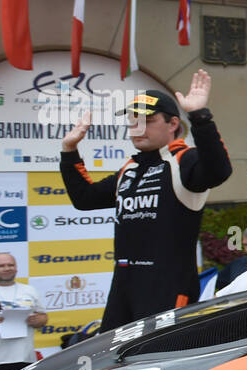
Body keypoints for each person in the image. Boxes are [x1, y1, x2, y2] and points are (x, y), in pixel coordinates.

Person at [60, 70, 233, 331]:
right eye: (132, 122)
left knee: (165, 364)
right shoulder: (129, 168)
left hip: (168, 289)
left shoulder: (183, 161)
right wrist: (69, 151)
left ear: (173, 123)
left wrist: (200, 117)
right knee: (113, 361)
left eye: (147, 120)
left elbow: (219, 170)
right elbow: (84, 199)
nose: (137, 128)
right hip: (124, 288)